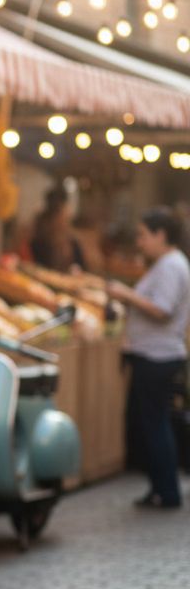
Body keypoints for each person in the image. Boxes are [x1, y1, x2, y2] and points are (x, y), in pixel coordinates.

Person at [108, 207, 190, 509]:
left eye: (144, 235)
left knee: (155, 424)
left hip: (157, 356)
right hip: (156, 353)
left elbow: (162, 310)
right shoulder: (169, 264)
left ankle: (166, 491)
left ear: (161, 235)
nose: (139, 242)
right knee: (154, 422)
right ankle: (160, 487)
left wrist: (125, 294)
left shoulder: (170, 266)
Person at [30, 187, 85, 272]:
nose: (66, 219)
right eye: (60, 216)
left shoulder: (72, 243)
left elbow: (81, 267)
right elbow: (38, 265)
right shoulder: (40, 241)